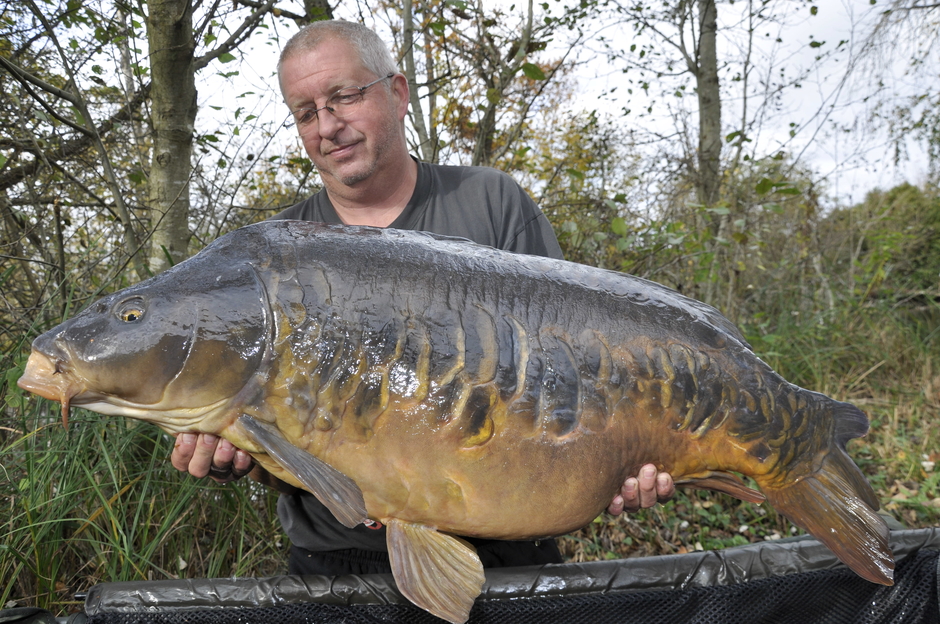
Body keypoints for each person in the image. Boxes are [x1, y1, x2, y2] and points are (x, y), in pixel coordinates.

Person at [172, 19, 674, 576]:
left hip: (508, 539)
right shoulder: (274, 257)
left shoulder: (490, 203)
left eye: (343, 97)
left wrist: (626, 454)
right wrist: (231, 458)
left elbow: (573, 373)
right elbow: (286, 435)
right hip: (337, 558)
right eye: (306, 112)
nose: (328, 126)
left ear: (398, 92)